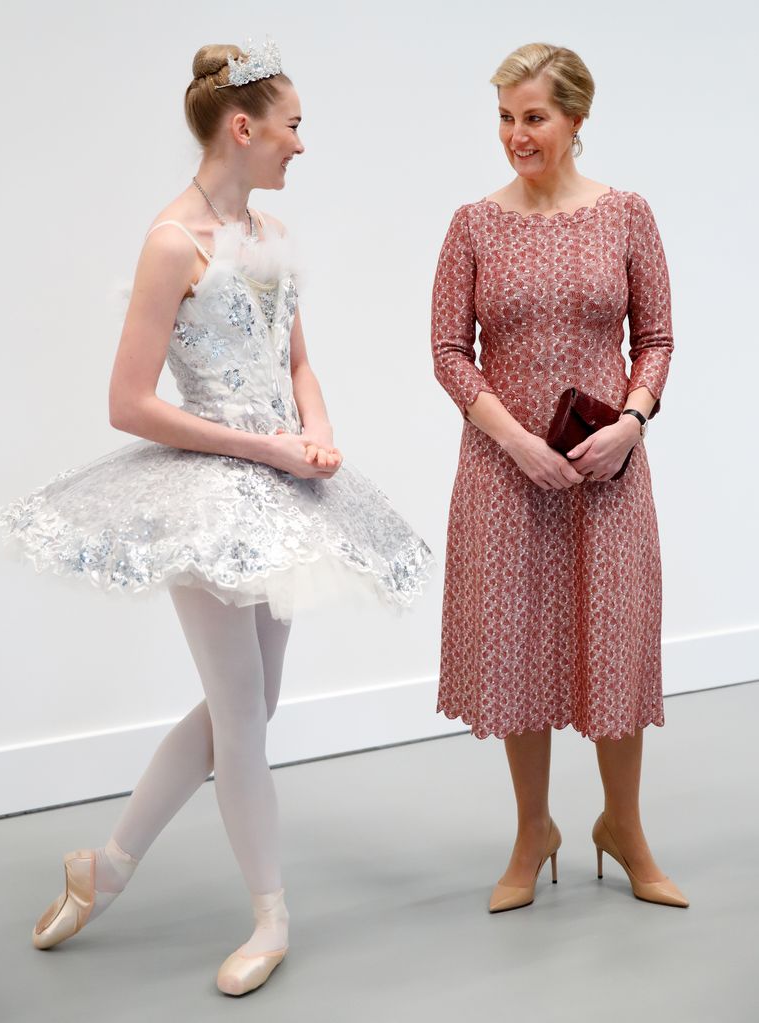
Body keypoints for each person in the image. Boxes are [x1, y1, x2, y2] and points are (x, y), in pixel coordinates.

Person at [0, 39, 432, 996]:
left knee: (255, 705)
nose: (301, 145)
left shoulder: (269, 234)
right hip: (206, 490)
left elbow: (297, 359)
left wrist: (315, 429)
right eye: (294, 126)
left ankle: (104, 866)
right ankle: (270, 913)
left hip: (279, 484)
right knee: (241, 716)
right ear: (244, 128)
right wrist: (265, 447)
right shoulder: (170, 242)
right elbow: (128, 401)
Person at [431, 42, 688, 914]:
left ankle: (623, 826)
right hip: (504, 474)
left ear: (576, 119)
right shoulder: (473, 223)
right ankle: (532, 828)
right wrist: (514, 441)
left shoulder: (627, 216)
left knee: (612, 643)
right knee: (519, 653)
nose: (515, 135)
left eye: (532, 117)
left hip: (604, 471)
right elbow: (446, 352)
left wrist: (631, 421)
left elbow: (655, 338)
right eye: (504, 118)